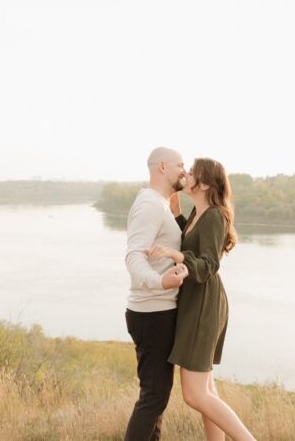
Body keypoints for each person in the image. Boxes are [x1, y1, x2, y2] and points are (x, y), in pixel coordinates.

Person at [146, 157, 255, 441]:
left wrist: (175, 255)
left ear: (204, 183)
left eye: (192, 172)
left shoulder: (215, 216)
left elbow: (208, 265)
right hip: (195, 302)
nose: (187, 173)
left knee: (195, 395)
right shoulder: (197, 213)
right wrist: (177, 214)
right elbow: (192, 242)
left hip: (204, 304)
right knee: (207, 390)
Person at [124, 146, 190, 441]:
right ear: (162, 167)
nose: (184, 171)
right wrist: (160, 282)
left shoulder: (160, 204)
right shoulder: (150, 205)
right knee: (153, 398)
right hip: (152, 313)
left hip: (158, 312)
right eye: (180, 165)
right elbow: (133, 257)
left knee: (157, 398)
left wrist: (177, 209)